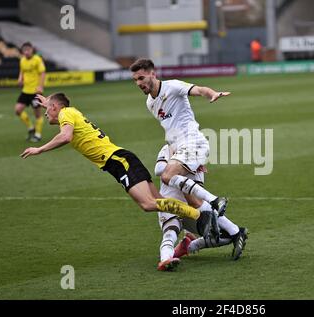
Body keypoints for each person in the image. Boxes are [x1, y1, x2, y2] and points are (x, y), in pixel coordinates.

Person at [20, 92, 218, 239]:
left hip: (118, 161)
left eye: (47, 110)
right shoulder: (69, 112)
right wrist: (49, 102)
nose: (45, 114)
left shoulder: (65, 114)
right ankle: (202, 223)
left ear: (56, 107)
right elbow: (59, 111)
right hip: (121, 159)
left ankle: (200, 216)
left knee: (148, 204)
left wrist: (40, 149)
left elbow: (66, 136)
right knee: (159, 202)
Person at [129, 58, 230, 217]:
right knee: (192, 201)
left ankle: (215, 200)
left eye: (141, 78)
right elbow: (170, 129)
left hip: (193, 142)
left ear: (153, 74)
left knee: (167, 176)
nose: (138, 83)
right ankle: (229, 229)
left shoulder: (173, 86)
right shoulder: (149, 102)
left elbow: (199, 89)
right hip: (181, 148)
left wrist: (212, 94)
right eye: (135, 80)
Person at [154, 144, 248, 271]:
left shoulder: (196, 163)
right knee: (171, 232)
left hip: (190, 213)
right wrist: (176, 165)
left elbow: (196, 201)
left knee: (223, 236)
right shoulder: (168, 149)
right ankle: (165, 260)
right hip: (169, 206)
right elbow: (159, 169)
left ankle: (188, 246)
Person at [15, 42, 46, 142]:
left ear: (32, 50)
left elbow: (42, 73)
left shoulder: (37, 59)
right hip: (25, 91)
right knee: (18, 110)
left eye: (29, 50)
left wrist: (40, 86)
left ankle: (38, 134)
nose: (27, 52)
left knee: (37, 114)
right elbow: (22, 70)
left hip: (35, 92)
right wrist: (20, 78)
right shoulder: (22, 60)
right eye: (25, 50)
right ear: (22, 51)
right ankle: (30, 128)